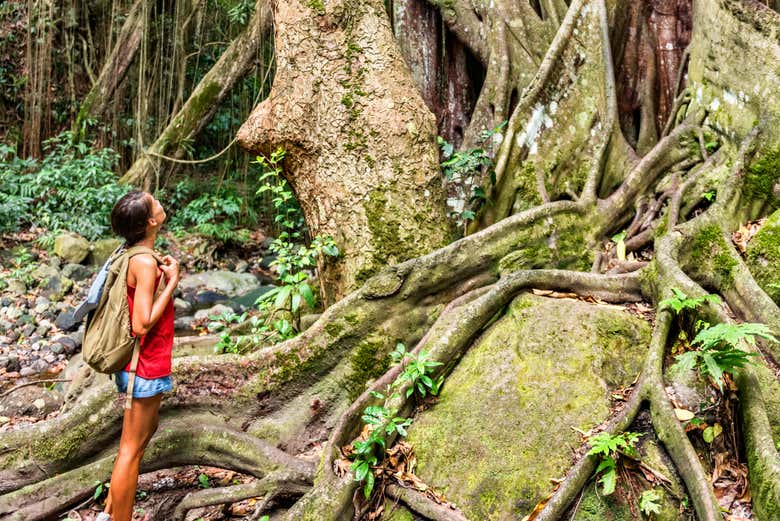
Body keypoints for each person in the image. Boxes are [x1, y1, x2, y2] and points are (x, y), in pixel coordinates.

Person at [97, 190, 179, 521]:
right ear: (150, 220)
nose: (160, 202)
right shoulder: (144, 262)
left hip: (139, 365)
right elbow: (142, 323)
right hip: (142, 367)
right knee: (131, 451)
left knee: (136, 445)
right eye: (154, 202)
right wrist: (172, 282)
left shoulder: (135, 253)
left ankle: (108, 514)